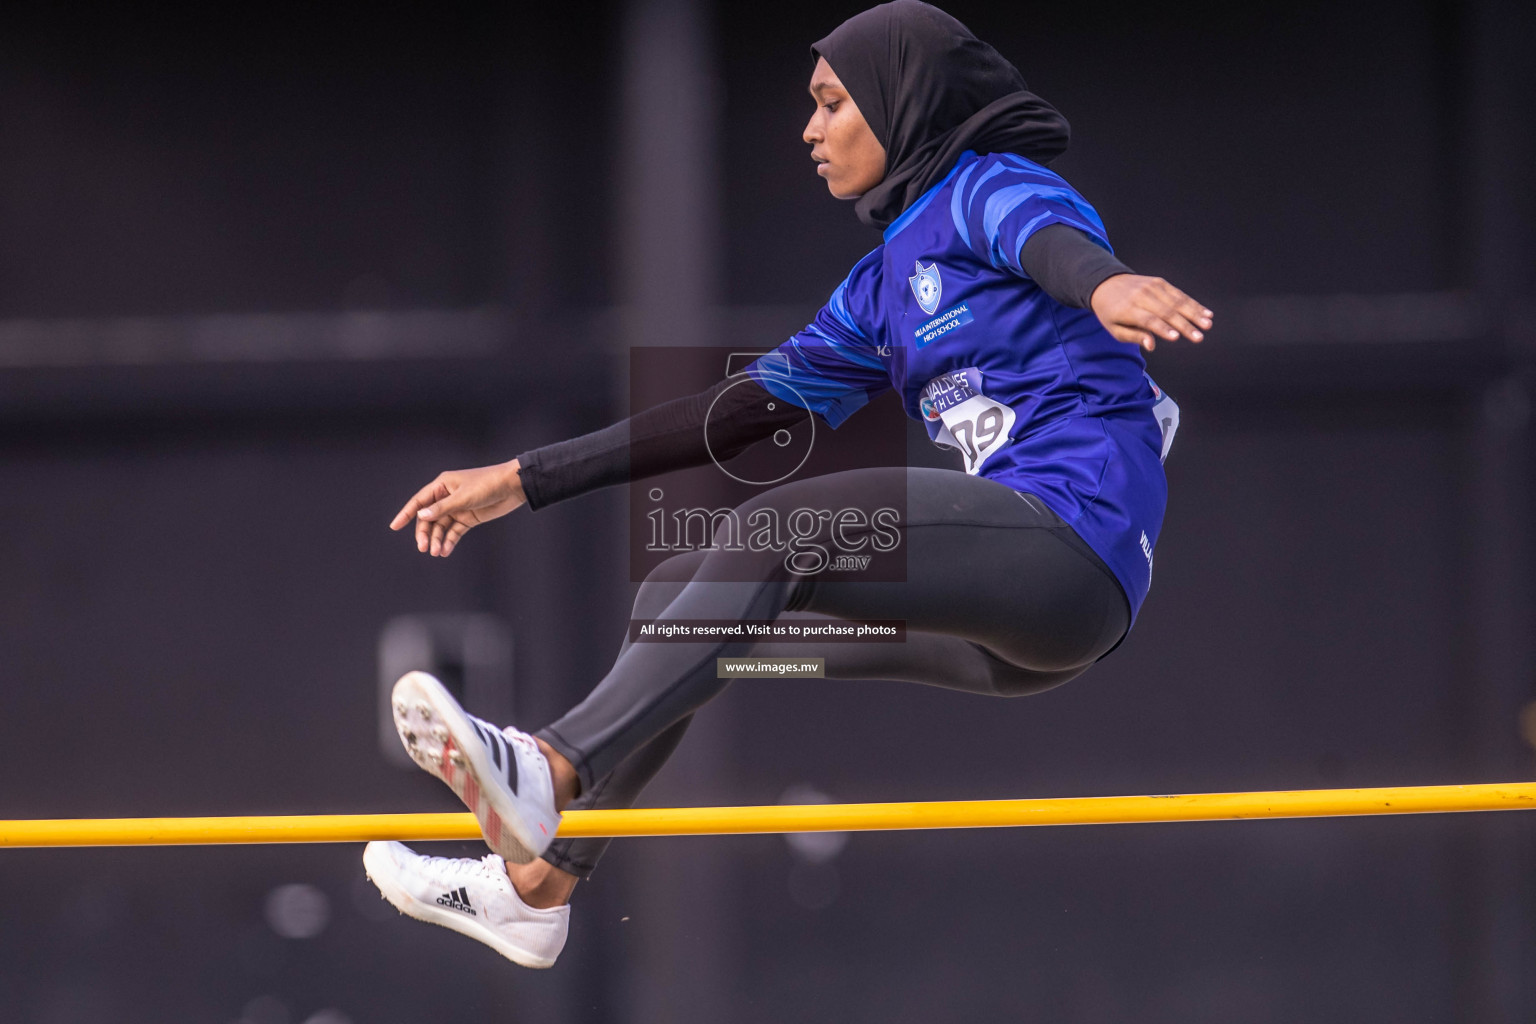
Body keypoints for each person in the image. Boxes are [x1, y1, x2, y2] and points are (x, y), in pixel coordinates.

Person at [362, 0, 1210, 969]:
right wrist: (525, 477)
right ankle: (536, 888)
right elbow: (731, 416)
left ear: (903, 102)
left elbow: (1047, 245)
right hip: (1010, 644)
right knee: (679, 608)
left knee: (786, 527)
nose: (809, 130)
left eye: (831, 103)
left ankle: (549, 762)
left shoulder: (984, 189)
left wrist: (1102, 284)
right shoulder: (880, 288)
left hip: (1071, 547)